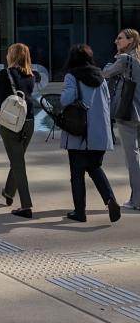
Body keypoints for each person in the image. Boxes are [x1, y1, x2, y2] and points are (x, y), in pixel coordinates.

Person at [60, 44, 120, 224]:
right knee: (94, 167)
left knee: (77, 174)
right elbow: (107, 102)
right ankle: (110, 199)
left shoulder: (72, 76)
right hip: (99, 134)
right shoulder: (101, 77)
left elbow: (65, 100)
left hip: (79, 132)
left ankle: (80, 212)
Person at [0, 43, 38, 220]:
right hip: (29, 120)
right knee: (17, 159)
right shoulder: (31, 75)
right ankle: (9, 192)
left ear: (13, 55)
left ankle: (26, 206)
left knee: (18, 163)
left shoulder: (6, 73)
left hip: (11, 122)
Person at [103, 28, 140, 211]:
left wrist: (116, 57)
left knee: (132, 157)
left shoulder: (124, 60)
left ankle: (137, 200)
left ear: (130, 40)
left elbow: (105, 73)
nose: (116, 41)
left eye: (120, 39)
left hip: (129, 112)